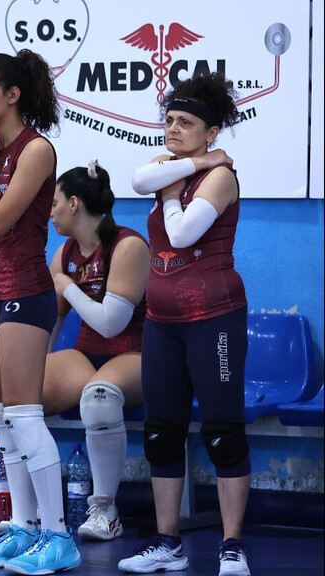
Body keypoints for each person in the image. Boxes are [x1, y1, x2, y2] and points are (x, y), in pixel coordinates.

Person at [0, 50, 83, 574]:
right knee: (2, 417)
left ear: (13, 95)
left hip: (25, 293)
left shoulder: (36, 149)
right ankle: (23, 528)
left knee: (26, 416)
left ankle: (59, 536)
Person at [118, 73, 250, 576]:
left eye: (186, 123)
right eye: (169, 120)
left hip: (213, 318)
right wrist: (190, 166)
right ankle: (167, 543)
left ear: (211, 132)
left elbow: (181, 233)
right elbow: (137, 181)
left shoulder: (222, 178)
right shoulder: (177, 166)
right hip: (162, 320)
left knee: (222, 432)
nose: (172, 128)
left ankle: (232, 546)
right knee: (161, 432)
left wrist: (174, 190)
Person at [44, 161, 150, 541]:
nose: (50, 212)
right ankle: (33, 514)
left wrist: (67, 287)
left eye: (54, 203)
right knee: (18, 397)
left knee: (99, 397)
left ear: (73, 204)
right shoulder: (64, 254)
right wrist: (37, 366)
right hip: (87, 356)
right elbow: (49, 323)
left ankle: (106, 512)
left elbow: (111, 324)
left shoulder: (128, 246)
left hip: (136, 355)